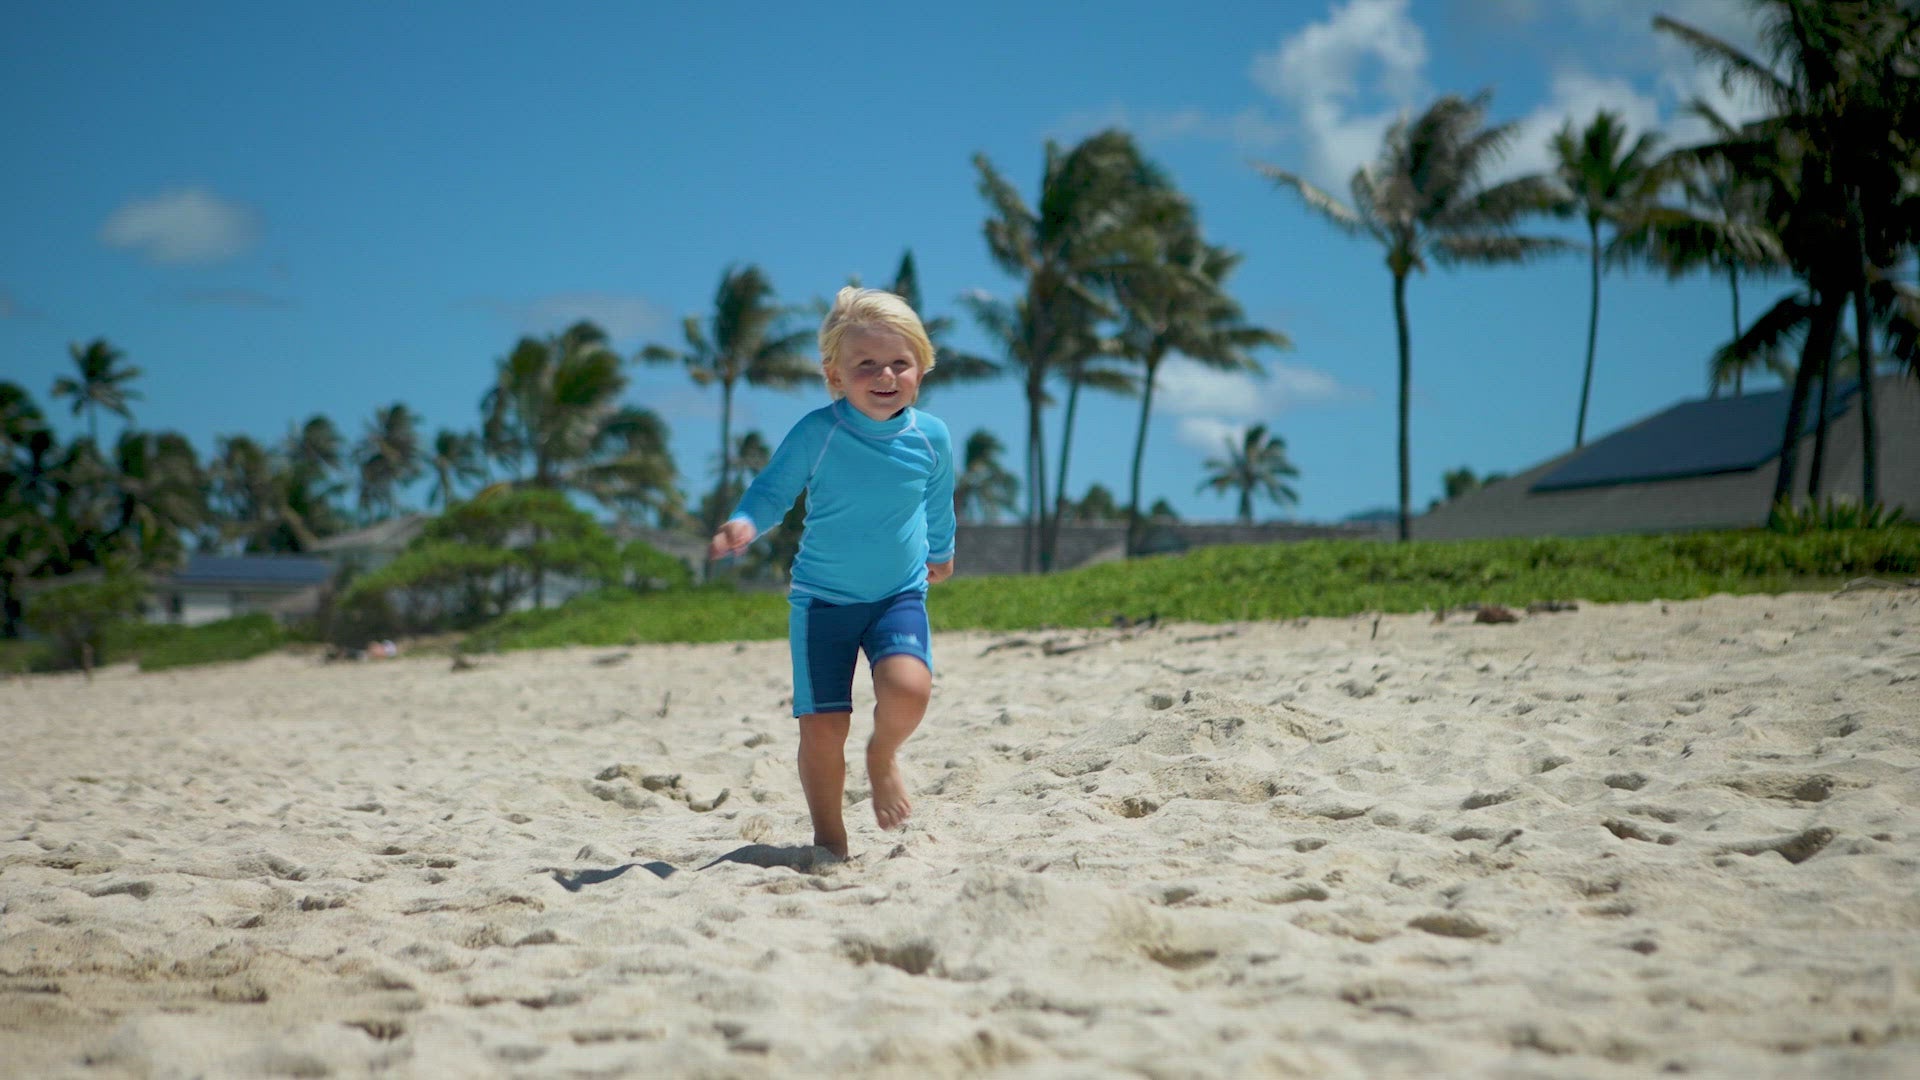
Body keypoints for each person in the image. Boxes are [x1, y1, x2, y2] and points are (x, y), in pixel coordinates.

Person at [709, 286, 956, 859]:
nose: (885, 375)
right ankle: (829, 839)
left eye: (900, 362)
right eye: (866, 364)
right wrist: (745, 523)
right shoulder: (819, 432)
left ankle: (883, 755)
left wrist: (941, 550)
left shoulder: (931, 436)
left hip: (898, 594)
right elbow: (773, 491)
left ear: (921, 367)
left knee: (910, 688)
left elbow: (938, 500)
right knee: (822, 729)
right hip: (822, 603)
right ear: (835, 375)